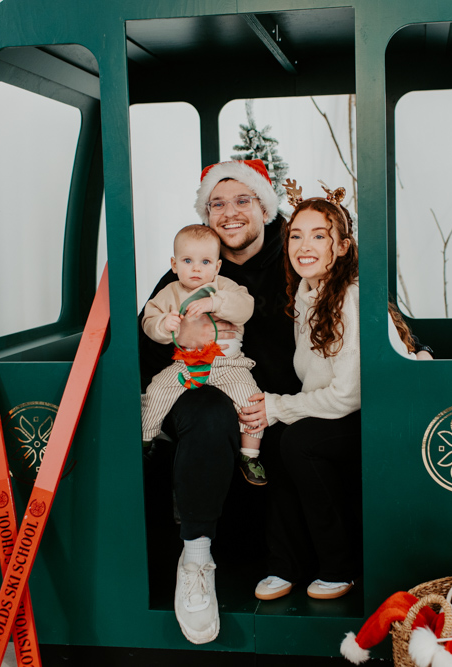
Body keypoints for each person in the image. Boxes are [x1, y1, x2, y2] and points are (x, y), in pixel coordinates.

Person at [138, 159, 301, 645]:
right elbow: (146, 330)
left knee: (303, 435)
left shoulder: (294, 252)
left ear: (264, 207)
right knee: (208, 416)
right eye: (217, 203)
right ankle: (195, 560)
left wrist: (412, 342)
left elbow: (354, 295)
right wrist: (175, 330)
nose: (229, 212)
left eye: (242, 200)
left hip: (274, 395)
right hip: (200, 386)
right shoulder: (194, 261)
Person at [238, 181, 427, 602]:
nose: (304, 245)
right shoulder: (307, 295)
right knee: (284, 438)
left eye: (319, 235)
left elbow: (348, 395)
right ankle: (284, 565)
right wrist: (275, 410)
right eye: (297, 235)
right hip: (351, 413)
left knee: (301, 441)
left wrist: (277, 406)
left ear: (342, 246)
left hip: (385, 418)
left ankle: (340, 568)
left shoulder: (349, 298)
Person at [140, 223, 268, 485]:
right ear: (174, 265)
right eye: (188, 261)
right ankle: (145, 439)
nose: (197, 268)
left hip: (229, 364)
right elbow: (148, 321)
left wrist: (215, 302)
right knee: (156, 391)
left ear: (217, 267)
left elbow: (245, 307)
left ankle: (250, 455)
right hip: (187, 362)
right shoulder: (170, 292)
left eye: (205, 261)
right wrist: (164, 325)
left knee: (251, 402)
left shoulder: (226, 287)